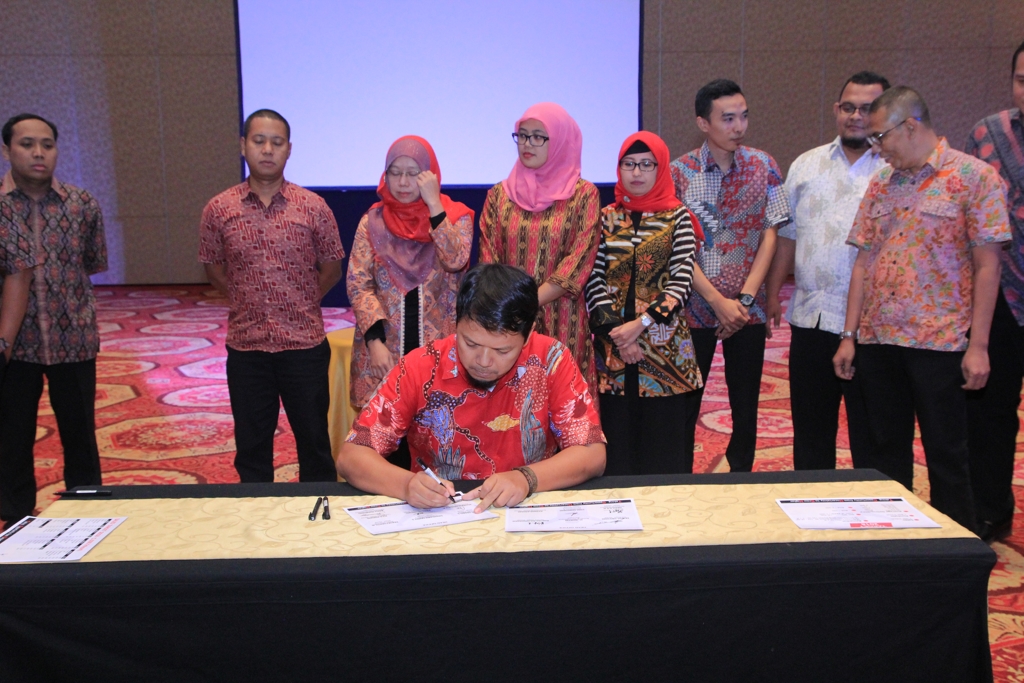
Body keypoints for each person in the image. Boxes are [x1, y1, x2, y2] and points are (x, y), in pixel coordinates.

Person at [833, 86, 1010, 532]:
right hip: (878, 339)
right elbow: (863, 262)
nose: (876, 148)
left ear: (910, 126)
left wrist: (979, 346)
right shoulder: (882, 182)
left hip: (940, 343)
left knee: (947, 453)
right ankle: (896, 545)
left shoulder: (974, 177)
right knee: (884, 452)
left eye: (880, 137)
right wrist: (849, 336)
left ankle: (954, 548)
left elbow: (988, 267)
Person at [337, 263, 606, 511]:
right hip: (442, 513)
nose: (484, 361)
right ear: (456, 323)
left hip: (525, 510)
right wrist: (406, 485)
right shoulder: (421, 366)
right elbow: (351, 456)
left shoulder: (550, 360)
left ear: (528, 335)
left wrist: (526, 478)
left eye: (502, 350)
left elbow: (593, 453)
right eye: (471, 344)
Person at [199, 109, 345, 483]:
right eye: (259, 141)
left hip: (304, 347)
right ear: (242, 145)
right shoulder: (219, 208)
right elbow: (213, 269)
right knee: (251, 450)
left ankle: (317, 512)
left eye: (277, 142)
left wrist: (299, 299)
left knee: (314, 445)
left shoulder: (313, 206)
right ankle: (255, 515)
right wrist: (246, 297)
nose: (267, 150)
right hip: (247, 349)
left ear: (289, 149)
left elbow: (332, 268)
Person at [764, 71, 890, 471]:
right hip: (810, 317)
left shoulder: (893, 167)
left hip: (872, 324)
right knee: (811, 432)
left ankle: (874, 504)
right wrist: (772, 294)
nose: (856, 116)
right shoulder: (807, 165)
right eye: (848, 107)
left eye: (867, 109)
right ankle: (811, 503)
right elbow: (788, 236)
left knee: (872, 434)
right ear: (837, 110)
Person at [670, 79, 791, 472]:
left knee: (746, 402)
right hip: (693, 307)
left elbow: (770, 233)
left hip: (747, 311)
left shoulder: (764, 165)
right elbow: (676, 246)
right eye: (728, 118)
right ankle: (680, 479)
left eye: (743, 116)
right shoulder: (679, 172)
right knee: (686, 401)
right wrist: (716, 301)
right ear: (703, 123)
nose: (739, 126)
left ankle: (742, 476)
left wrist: (744, 300)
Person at [0, 113, 107, 528]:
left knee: (80, 434)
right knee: (13, 436)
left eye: (47, 144)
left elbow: (92, 261)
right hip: (15, 345)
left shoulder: (81, 205)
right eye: (27, 144)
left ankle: (87, 514)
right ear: (7, 150)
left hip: (73, 339)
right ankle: (15, 518)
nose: (39, 153)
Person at [347, 136, 474, 468]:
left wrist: (434, 206)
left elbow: (456, 259)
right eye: (395, 172)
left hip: (437, 354)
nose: (403, 182)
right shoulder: (372, 222)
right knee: (383, 452)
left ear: (430, 176)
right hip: (383, 355)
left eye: (414, 173)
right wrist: (375, 342)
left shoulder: (455, 217)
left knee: (437, 446)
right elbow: (359, 283)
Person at [585, 131, 703, 474]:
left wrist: (640, 326)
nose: (636, 173)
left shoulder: (678, 217)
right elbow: (593, 277)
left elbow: (681, 281)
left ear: (661, 168)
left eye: (647, 165)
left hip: (664, 348)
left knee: (663, 450)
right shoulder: (605, 217)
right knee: (617, 447)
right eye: (629, 164)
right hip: (613, 347)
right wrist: (618, 334)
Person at [479, 102, 601, 395]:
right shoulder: (499, 196)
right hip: (509, 322)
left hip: (563, 319)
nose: (527, 144)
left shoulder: (584, 195)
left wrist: (527, 302)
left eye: (538, 137)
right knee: (510, 409)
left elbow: (579, 260)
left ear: (559, 141)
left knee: (564, 402)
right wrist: (514, 308)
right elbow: (489, 260)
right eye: (522, 135)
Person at [963, 40, 1024, 542]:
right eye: (1022, 80)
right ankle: (989, 506)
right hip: (1000, 292)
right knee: (990, 409)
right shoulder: (988, 133)